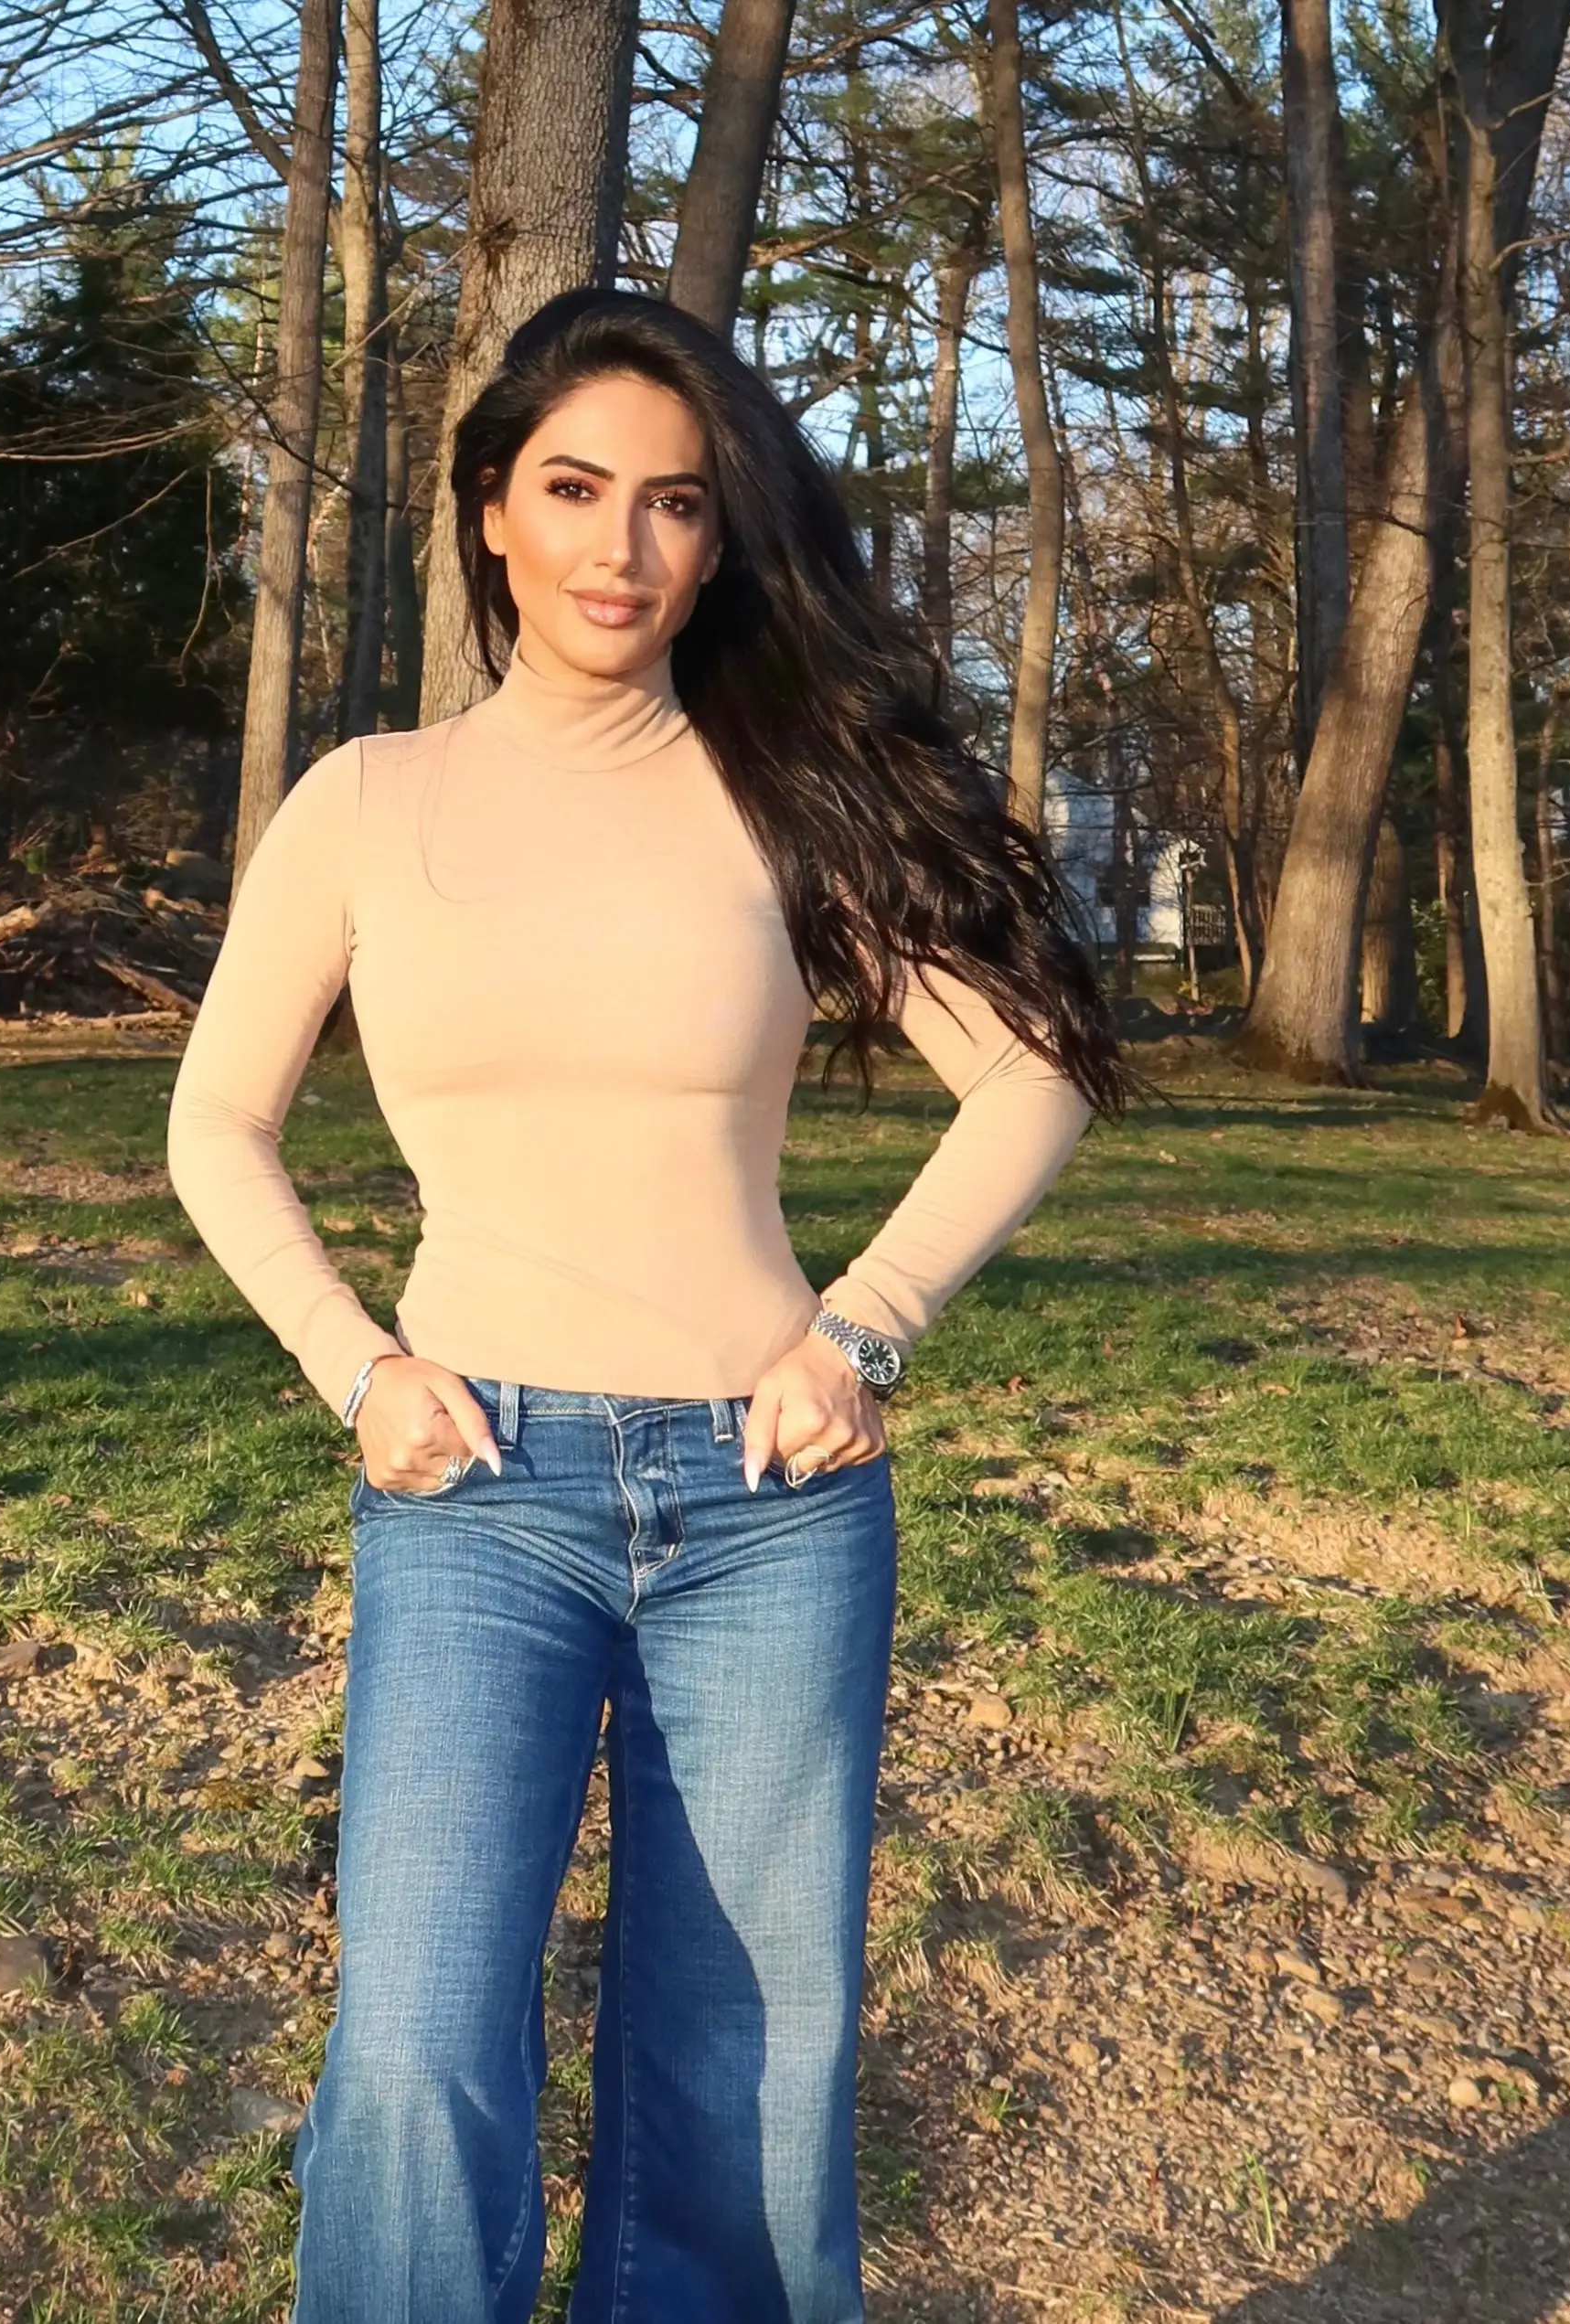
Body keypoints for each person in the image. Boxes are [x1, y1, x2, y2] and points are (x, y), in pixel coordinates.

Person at [166, 285, 1129, 2324]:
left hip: (766, 1507)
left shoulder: (786, 795)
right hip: (478, 1492)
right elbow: (216, 1127)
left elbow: (1029, 1075)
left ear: (719, 540)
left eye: (673, 503)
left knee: (743, 2067)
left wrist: (861, 1326)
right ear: (489, 512)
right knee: (417, 2046)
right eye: (574, 489)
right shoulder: (364, 801)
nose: (620, 547)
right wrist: (359, 1368)